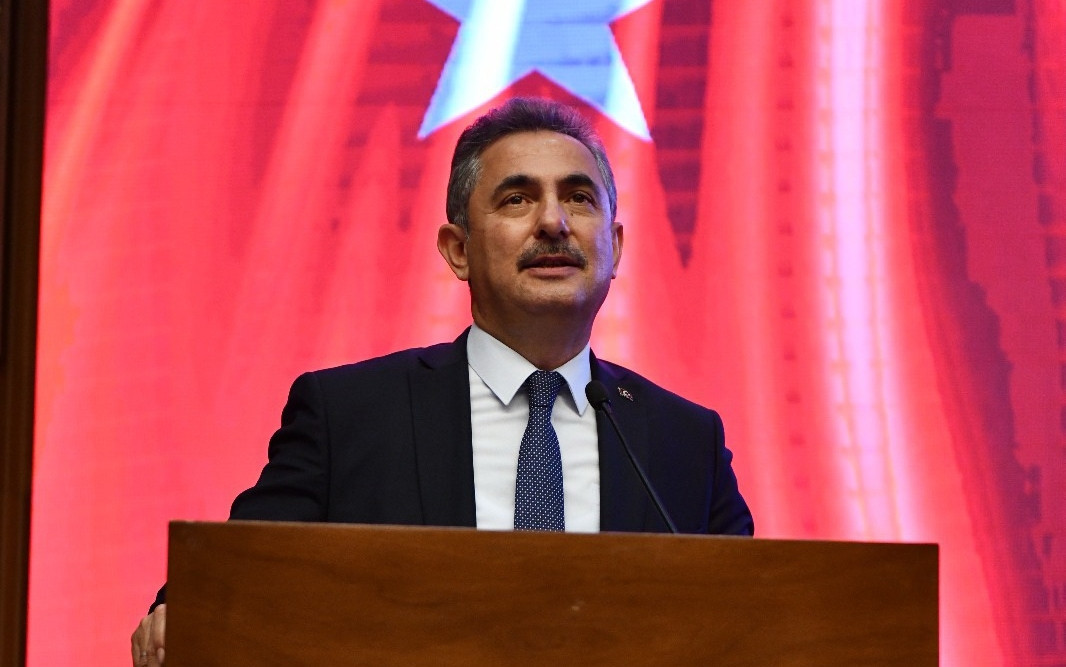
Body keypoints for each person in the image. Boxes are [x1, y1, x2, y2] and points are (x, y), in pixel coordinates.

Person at [130, 97, 753, 666]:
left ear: (614, 246)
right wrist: (177, 614)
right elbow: (230, 582)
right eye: (517, 199)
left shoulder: (683, 441)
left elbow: (759, 618)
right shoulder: (349, 416)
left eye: (579, 198)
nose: (554, 222)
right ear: (457, 249)